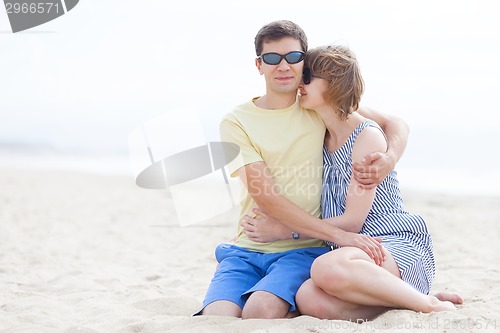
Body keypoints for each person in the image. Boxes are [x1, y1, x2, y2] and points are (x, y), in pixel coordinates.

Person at [198, 20, 409, 319]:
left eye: (294, 58)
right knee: (217, 318)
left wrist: (390, 158)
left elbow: (394, 123)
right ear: (259, 65)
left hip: (304, 247)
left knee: (261, 312)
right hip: (250, 244)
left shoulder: (317, 106)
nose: (283, 66)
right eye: (272, 58)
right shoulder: (236, 122)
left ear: (303, 62)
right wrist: (343, 235)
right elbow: (266, 197)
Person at [241, 44, 463, 320]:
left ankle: (429, 306)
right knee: (308, 297)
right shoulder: (315, 124)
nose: (300, 82)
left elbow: (352, 222)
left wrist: (284, 230)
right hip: (352, 253)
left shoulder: (364, 136)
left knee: (325, 268)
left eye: (308, 76)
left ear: (333, 84)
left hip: (390, 242)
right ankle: (412, 298)